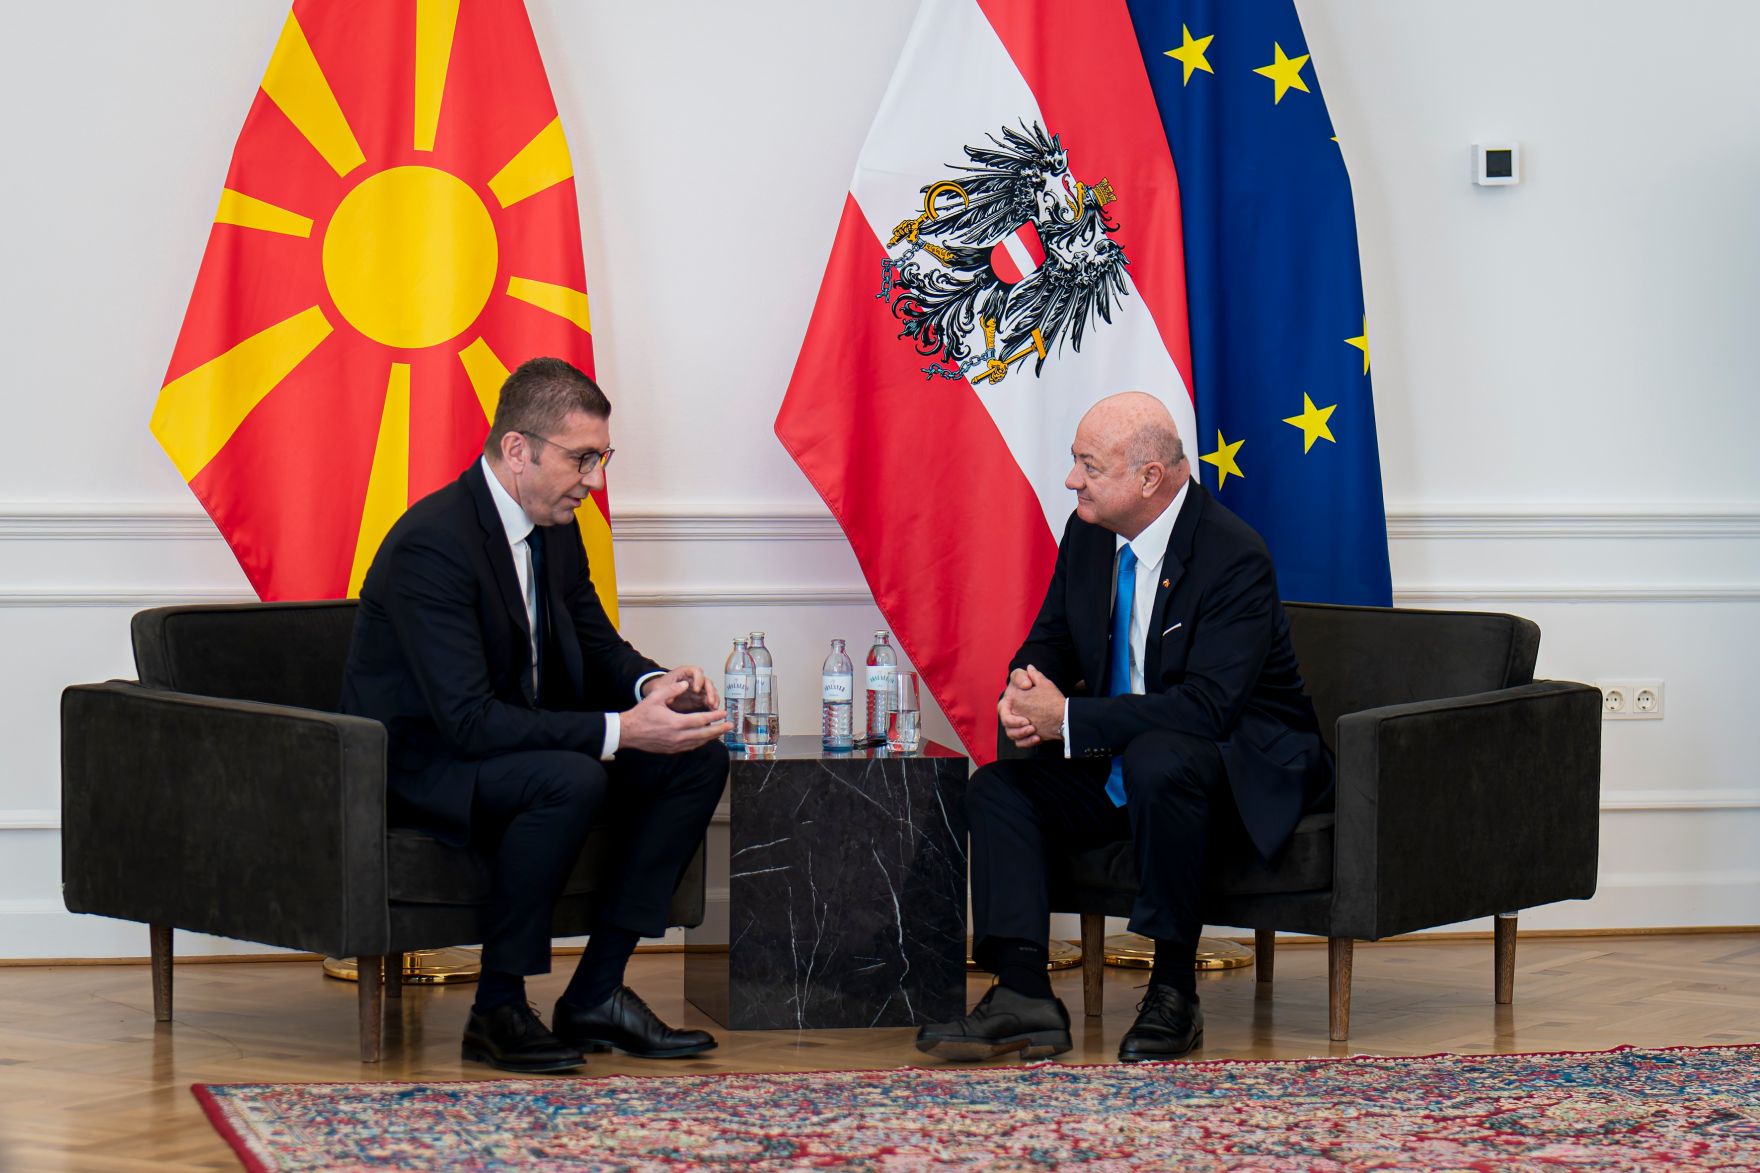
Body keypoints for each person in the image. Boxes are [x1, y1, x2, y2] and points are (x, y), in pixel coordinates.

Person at [915, 392, 1331, 1063]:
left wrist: (1070, 717)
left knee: (1161, 758)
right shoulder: (1088, 532)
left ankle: (1173, 993)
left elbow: (1207, 710)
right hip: (1126, 758)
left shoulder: (1234, 557)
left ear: (1149, 479)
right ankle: (1022, 992)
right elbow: (1052, 639)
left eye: (1088, 465)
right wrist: (1023, 690)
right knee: (997, 789)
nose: (1071, 480)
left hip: (1237, 769)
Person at [341, 357, 730, 1074]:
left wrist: (653, 684)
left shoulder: (554, 523)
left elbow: (593, 639)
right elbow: (466, 721)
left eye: (602, 458)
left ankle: (597, 992)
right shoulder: (434, 542)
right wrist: (618, 731)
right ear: (518, 450)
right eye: (583, 459)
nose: (596, 480)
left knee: (694, 756)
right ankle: (497, 1009)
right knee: (571, 779)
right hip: (429, 764)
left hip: (517, 743)